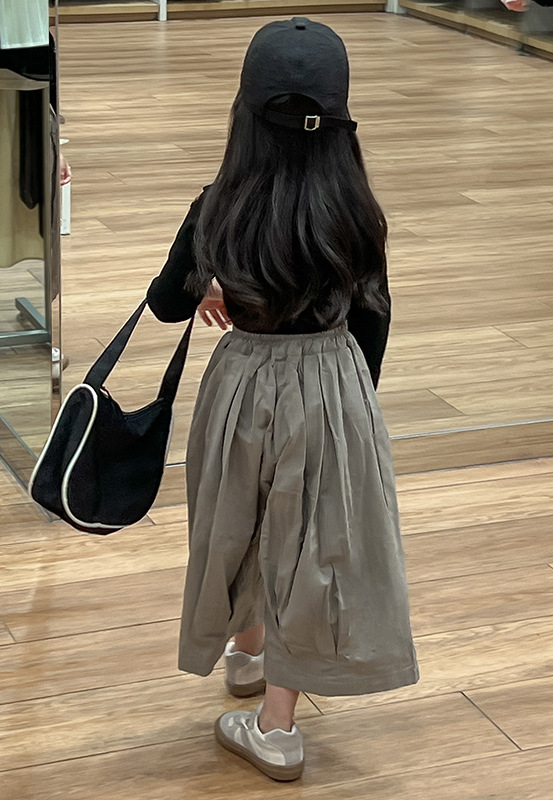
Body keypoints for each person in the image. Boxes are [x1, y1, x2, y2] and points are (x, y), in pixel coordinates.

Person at [147, 17, 419, 782]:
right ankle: (277, 722)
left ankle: (248, 654)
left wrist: (209, 281)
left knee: (236, 520)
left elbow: (166, 303)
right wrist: (351, 401)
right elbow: (374, 317)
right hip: (330, 384)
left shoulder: (218, 205)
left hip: (241, 386)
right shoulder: (354, 210)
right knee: (312, 543)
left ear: (243, 114)